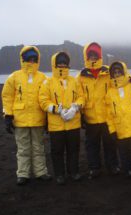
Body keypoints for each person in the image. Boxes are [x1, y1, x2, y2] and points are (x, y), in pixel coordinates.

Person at [1, 46, 51, 185]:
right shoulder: (14, 77)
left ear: (38, 59)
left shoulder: (43, 78)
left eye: (34, 58)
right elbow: (7, 97)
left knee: (38, 147)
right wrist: (7, 115)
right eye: (29, 58)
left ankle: (41, 172)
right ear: (23, 59)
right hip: (20, 119)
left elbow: (47, 97)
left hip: (38, 119)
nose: (31, 60)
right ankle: (23, 174)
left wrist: (47, 118)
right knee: (23, 148)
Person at [77, 42, 121, 179]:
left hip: (108, 117)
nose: (93, 58)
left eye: (95, 55)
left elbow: (123, 79)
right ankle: (94, 168)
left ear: (100, 56)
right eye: (90, 55)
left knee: (110, 144)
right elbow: (80, 96)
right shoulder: (81, 76)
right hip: (91, 117)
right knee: (92, 145)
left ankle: (112, 166)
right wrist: (81, 115)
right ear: (86, 57)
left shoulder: (108, 71)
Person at [39, 52, 83, 185]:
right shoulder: (48, 82)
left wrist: (75, 107)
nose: (62, 65)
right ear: (55, 64)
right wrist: (56, 109)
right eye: (60, 63)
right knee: (57, 151)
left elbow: (82, 97)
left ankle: (73, 172)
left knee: (73, 150)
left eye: (64, 63)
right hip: (56, 124)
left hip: (73, 123)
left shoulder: (74, 81)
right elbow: (43, 100)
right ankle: (59, 174)